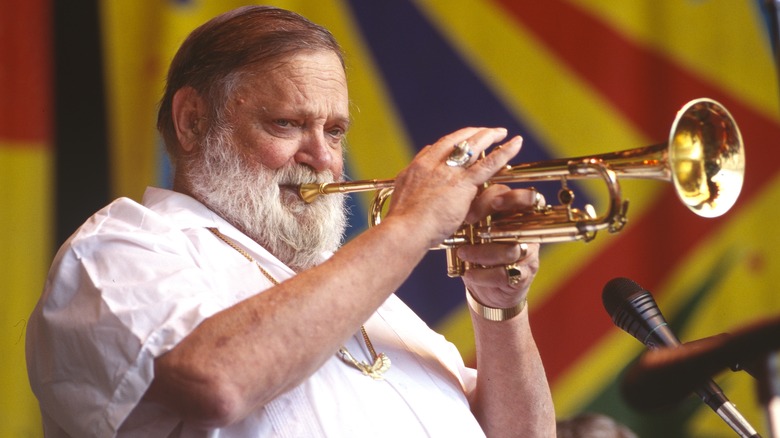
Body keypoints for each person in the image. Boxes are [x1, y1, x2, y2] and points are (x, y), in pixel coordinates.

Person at [26, 6, 556, 437]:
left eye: (336, 130)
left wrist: (498, 305)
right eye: (288, 123)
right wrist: (413, 225)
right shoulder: (120, 249)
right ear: (192, 122)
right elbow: (215, 384)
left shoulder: (363, 291)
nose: (325, 158)